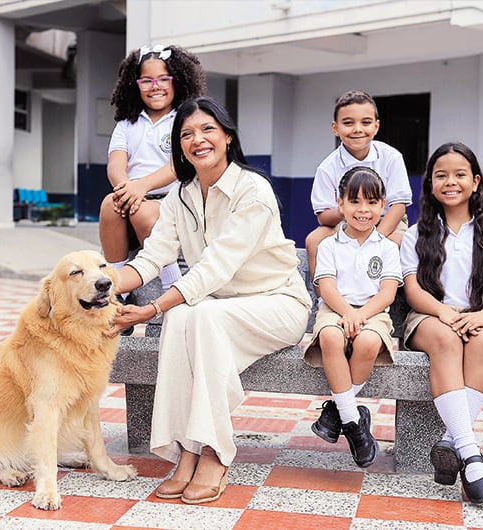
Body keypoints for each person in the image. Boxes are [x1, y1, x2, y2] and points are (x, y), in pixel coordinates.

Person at [110, 96, 311, 505]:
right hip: (216, 310)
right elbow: (152, 256)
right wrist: (103, 283)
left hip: (277, 305)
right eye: (186, 134)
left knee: (192, 316)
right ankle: (187, 450)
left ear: (227, 137)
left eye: (207, 130)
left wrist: (150, 308)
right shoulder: (180, 196)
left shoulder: (253, 190)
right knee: (185, 317)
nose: (197, 139)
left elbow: (215, 268)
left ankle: (214, 451)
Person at [399, 141, 483, 504]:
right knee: (446, 341)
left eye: (460, 174)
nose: (451, 182)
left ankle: (452, 445)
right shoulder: (416, 233)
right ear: (431, 184)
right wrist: (444, 313)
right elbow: (414, 290)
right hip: (429, 316)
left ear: (476, 181)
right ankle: (470, 451)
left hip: (479, 315)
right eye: (441, 175)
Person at [303, 166, 402, 468]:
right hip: (335, 311)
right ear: (341, 204)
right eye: (355, 201)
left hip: (374, 315)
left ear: (383, 205)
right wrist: (347, 313)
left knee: (369, 342)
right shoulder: (329, 245)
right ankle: (355, 425)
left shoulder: (387, 247)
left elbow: (387, 293)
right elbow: (326, 287)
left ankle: (338, 411)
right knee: (331, 336)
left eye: (372, 202)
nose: (363, 210)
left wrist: (361, 316)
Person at [100, 44, 206, 308]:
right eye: (146, 80)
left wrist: (140, 188)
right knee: (108, 206)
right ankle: (117, 291)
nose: (154, 86)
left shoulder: (183, 119)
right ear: (135, 85)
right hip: (133, 197)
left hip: (172, 202)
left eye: (163, 79)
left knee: (143, 212)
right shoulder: (126, 125)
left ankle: (173, 285)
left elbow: (176, 166)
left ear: (177, 81)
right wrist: (127, 190)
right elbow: (115, 165)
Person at [305, 89, 412, 279]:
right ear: (335, 128)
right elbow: (323, 217)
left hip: (386, 222)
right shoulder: (327, 167)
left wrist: (375, 238)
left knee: (402, 242)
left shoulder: (391, 157)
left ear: (376, 126)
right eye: (348, 123)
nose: (357, 129)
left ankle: (394, 296)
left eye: (366, 122)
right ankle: (320, 296)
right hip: (345, 222)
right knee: (314, 240)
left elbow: (398, 206)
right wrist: (344, 210)